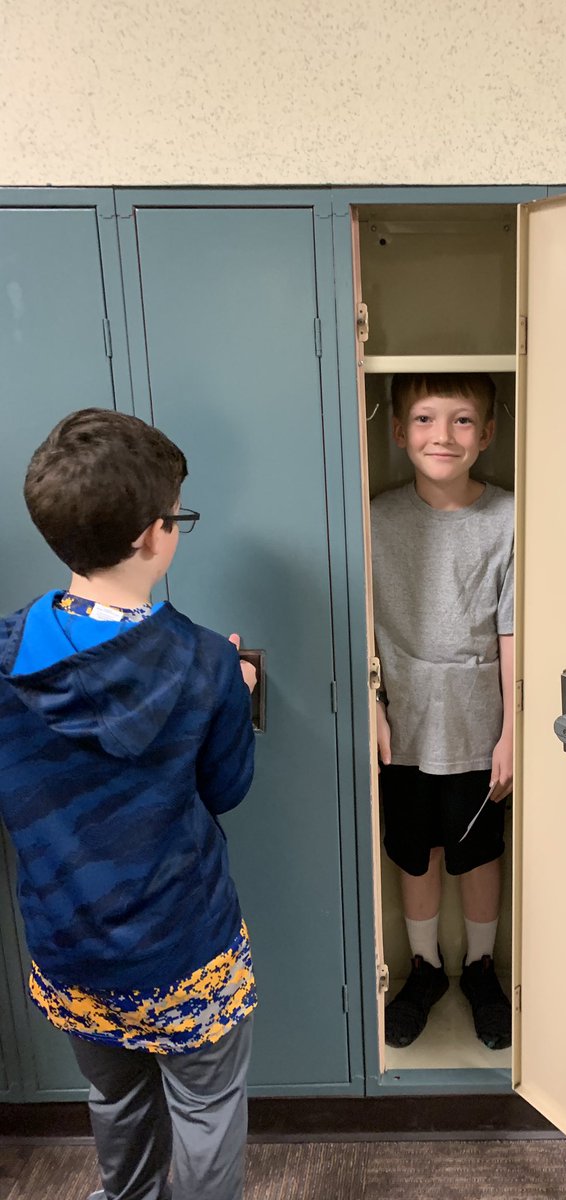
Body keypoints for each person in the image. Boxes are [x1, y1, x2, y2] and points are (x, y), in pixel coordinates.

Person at [0, 409, 258, 1200]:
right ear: (155, 534)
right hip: (184, 947)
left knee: (113, 1095)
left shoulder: (5, 653)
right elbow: (227, 789)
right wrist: (237, 693)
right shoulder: (207, 662)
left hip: (67, 944)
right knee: (207, 1103)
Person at [371, 373, 514, 1051]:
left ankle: (481, 970)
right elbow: (360, 626)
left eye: (462, 421)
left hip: (479, 721)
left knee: (478, 855)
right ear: (398, 432)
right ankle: (425, 970)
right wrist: (373, 705)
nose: (443, 436)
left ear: (487, 435)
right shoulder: (373, 518)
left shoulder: (512, 518)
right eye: (425, 419)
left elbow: (514, 632)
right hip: (402, 721)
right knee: (416, 853)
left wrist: (513, 731)